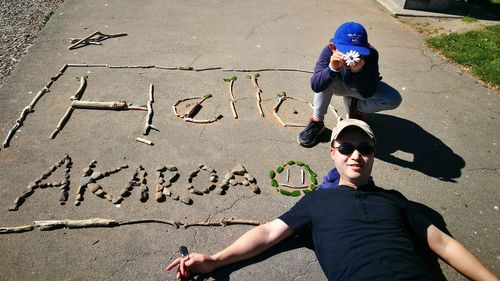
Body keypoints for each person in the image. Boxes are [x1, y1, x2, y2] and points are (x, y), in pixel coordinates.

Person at [167, 119, 498, 281]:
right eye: (346, 147)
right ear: (333, 152)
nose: (356, 154)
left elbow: (442, 243)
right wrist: (215, 261)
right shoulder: (315, 203)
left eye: (365, 148)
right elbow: (268, 234)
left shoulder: (394, 201)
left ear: (373, 155)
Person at [298, 22, 402, 147]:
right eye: (345, 51)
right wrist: (332, 69)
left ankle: (356, 107)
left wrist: (358, 71)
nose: (351, 55)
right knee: (323, 79)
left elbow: (368, 92)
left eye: (358, 52)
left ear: (366, 47)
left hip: (360, 88)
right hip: (338, 86)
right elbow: (316, 85)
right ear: (333, 47)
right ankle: (317, 122)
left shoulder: (371, 55)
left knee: (393, 98)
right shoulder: (328, 52)